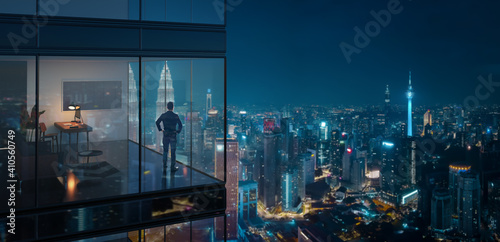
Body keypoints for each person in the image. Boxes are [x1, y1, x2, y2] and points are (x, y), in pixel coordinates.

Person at [156, 102, 182, 172]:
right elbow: (180, 125)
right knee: (173, 151)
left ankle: (164, 165)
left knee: (165, 151)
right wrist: (177, 131)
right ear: (173, 107)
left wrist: (161, 130)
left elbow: (157, 122)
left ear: (167, 107)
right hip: (173, 135)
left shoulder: (164, 115)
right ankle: (172, 167)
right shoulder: (176, 116)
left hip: (166, 135)